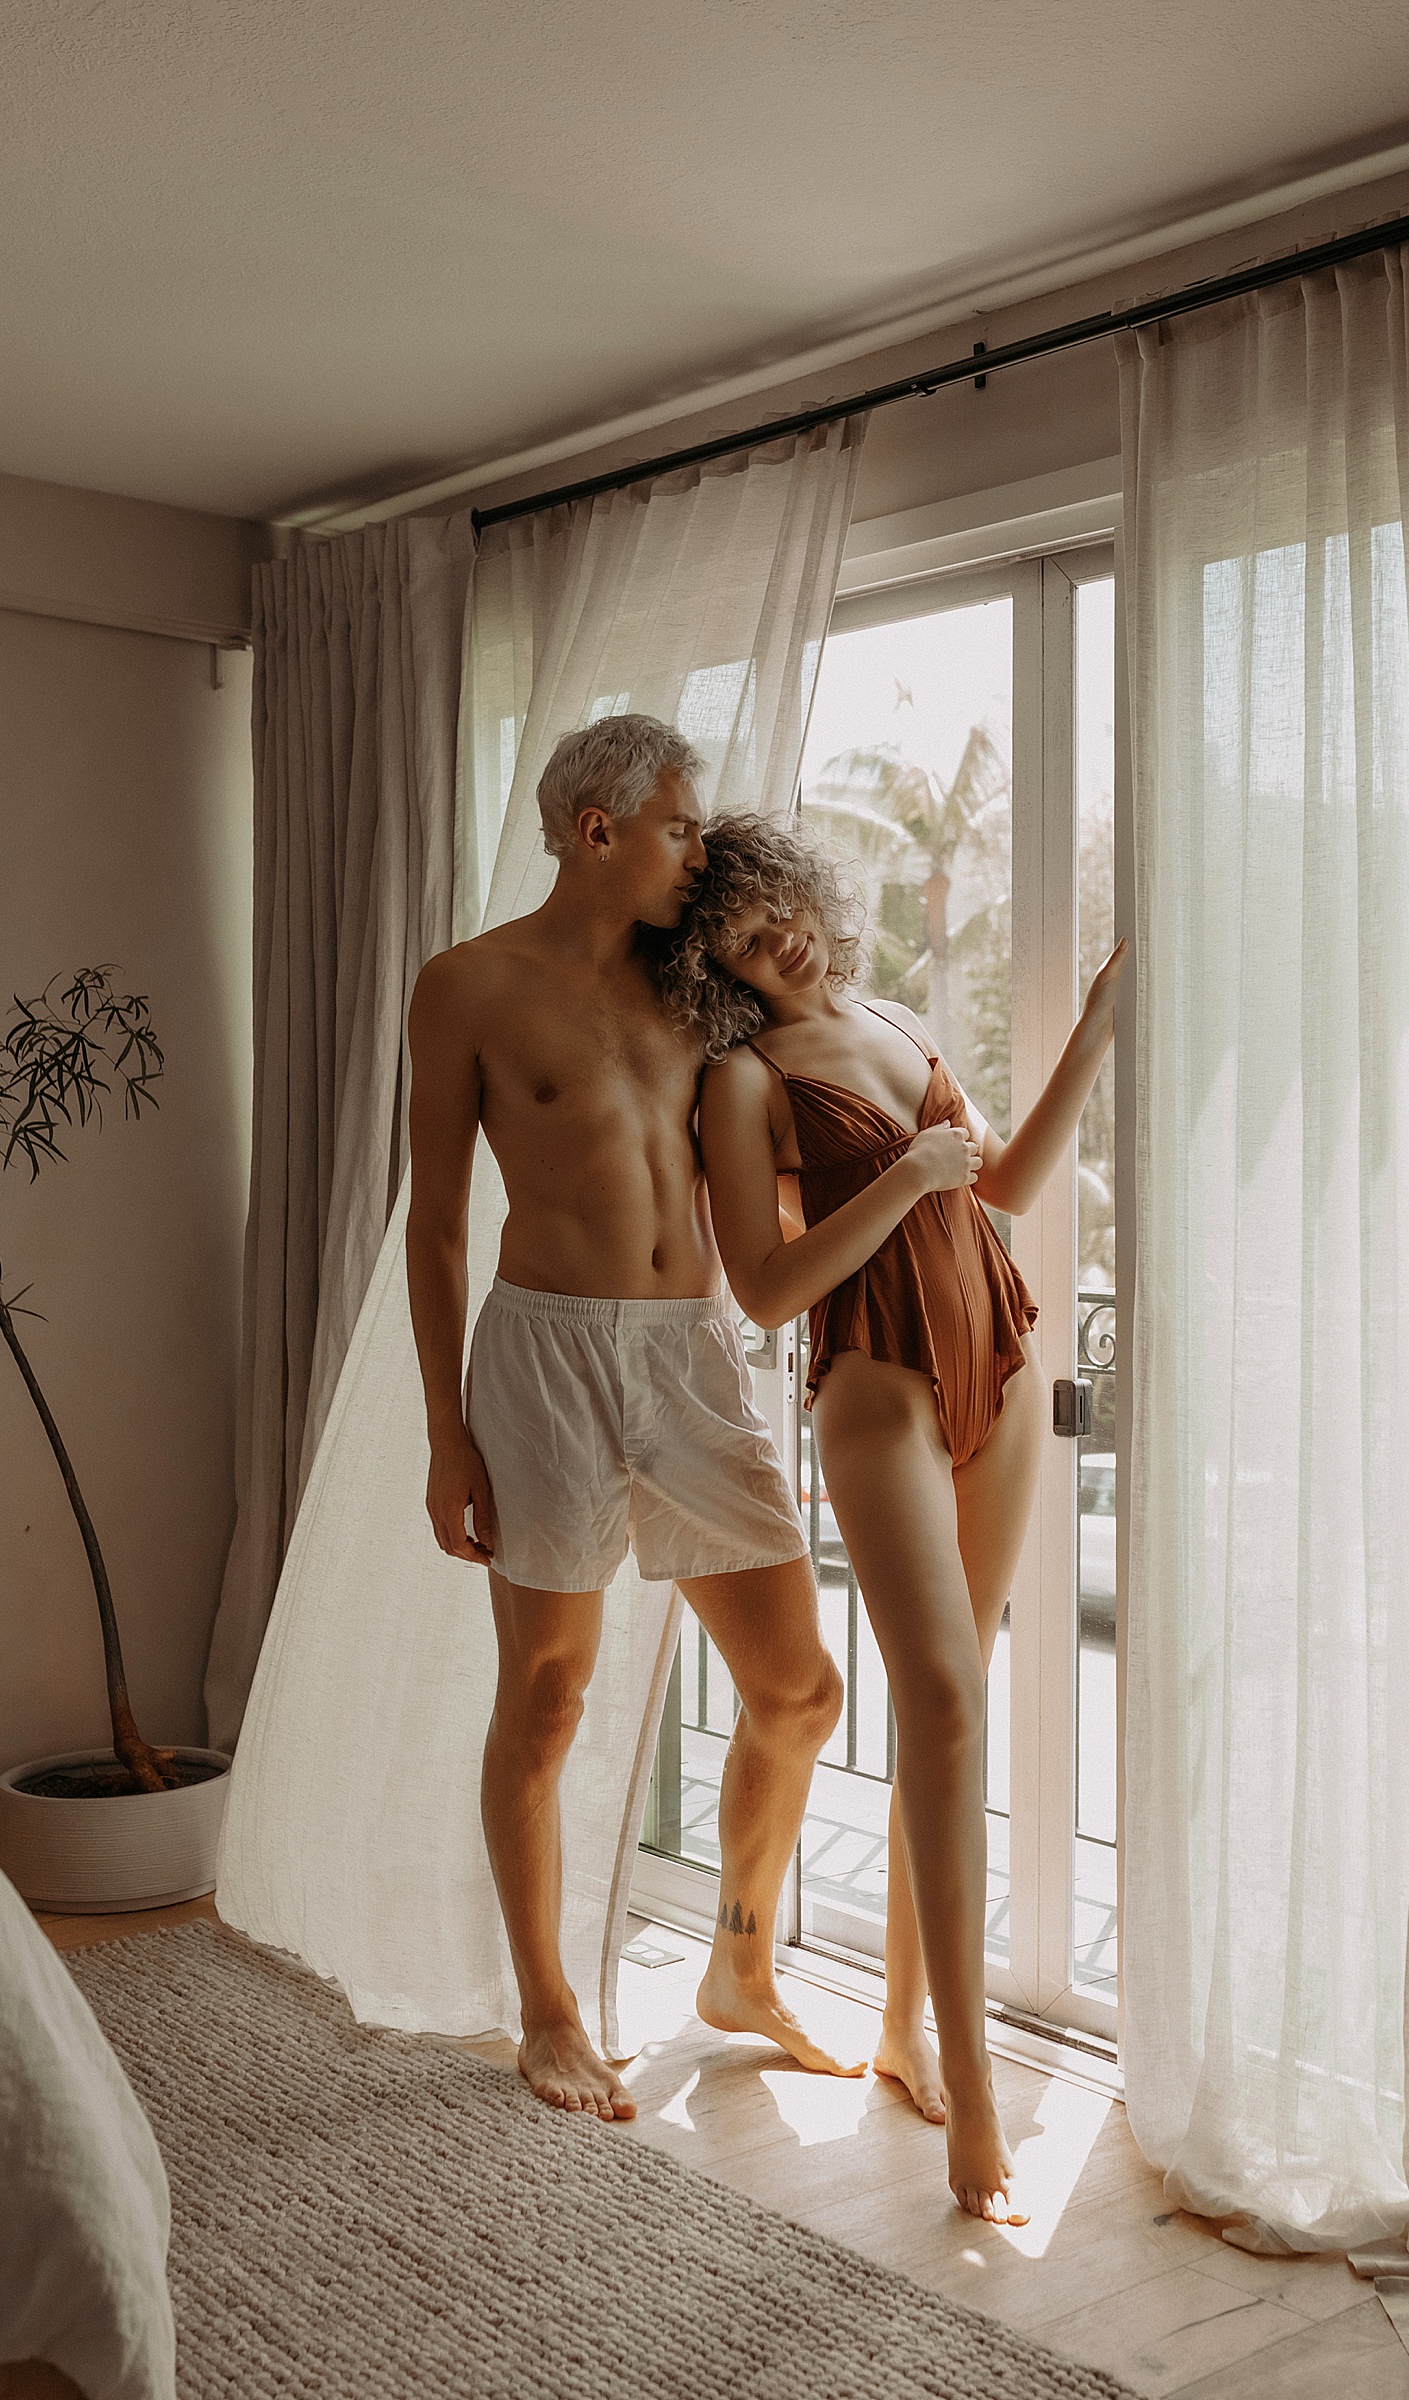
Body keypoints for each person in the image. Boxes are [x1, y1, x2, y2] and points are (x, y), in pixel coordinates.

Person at [662, 812, 1125, 2222]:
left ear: (813, 895)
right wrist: (909, 1179)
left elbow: (1012, 1188)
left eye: (779, 906)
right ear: (715, 963)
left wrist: (1097, 1031)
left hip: (1000, 1353)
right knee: (931, 1697)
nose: (775, 936)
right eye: (740, 931)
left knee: (959, 1705)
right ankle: (975, 2110)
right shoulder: (741, 1082)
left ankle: (907, 2034)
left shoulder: (900, 1016)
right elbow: (765, 1288)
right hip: (873, 1391)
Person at [405, 718, 854, 2124]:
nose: (698, 848)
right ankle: (549, 2009)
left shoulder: (693, 988)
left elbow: (801, 1115)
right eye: (677, 824)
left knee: (800, 1690)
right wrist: (444, 1433)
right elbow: (434, 1224)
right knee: (545, 1703)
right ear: (598, 832)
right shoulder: (467, 986)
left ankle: (739, 1964)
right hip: (538, 1362)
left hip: (690, 1357)